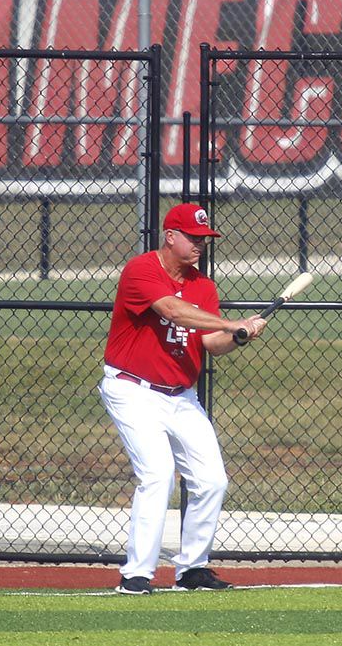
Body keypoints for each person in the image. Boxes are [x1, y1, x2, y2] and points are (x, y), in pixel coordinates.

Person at [99, 203, 267, 595]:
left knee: (212, 481)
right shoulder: (141, 269)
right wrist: (232, 322)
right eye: (193, 238)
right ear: (170, 236)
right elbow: (172, 311)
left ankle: (192, 569)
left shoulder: (203, 286)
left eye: (204, 240)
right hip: (132, 389)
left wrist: (239, 336)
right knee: (157, 474)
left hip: (181, 396)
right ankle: (137, 574)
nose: (199, 246)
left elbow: (212, 343)